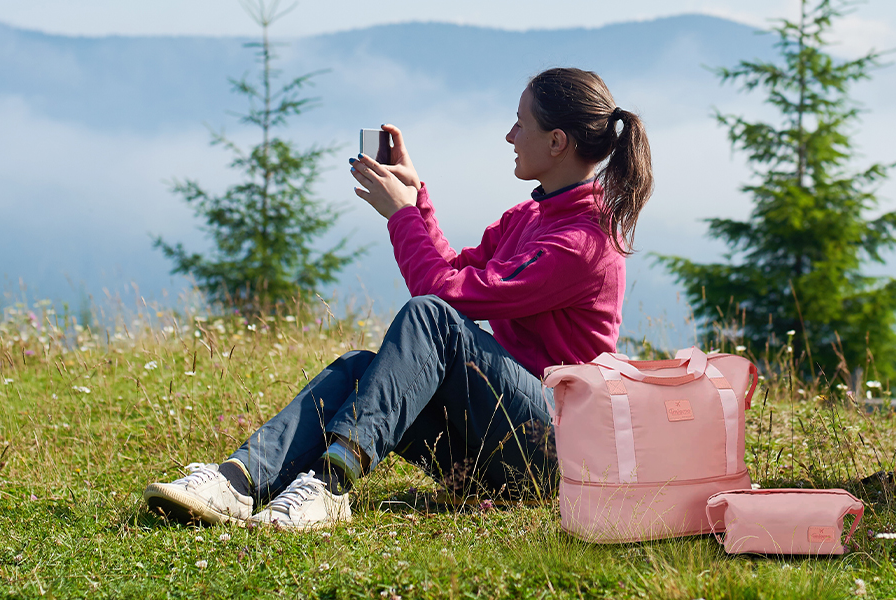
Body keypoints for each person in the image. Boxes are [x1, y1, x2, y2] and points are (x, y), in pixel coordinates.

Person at [143, 67, 653, 530]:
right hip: (499, 434)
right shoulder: (531, 217)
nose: (510, 135)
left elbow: (442, 297)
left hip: (554, 451)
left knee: (428, 316)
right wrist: (417, 198)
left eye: (520, 124)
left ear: (558, 141)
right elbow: (455, 273)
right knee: (360, 369)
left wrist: (401, 217)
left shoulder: (584, 242)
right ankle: (238, 482)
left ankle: (330, 485)